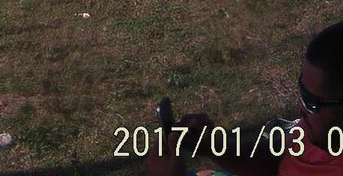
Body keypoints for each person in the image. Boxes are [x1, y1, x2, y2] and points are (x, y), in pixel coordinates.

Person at [147, 20, 343, 176]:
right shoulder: (323, 136)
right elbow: (276, 158)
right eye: (302, 91)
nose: (300, 106)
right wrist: (213, 146)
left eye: (311, 102)